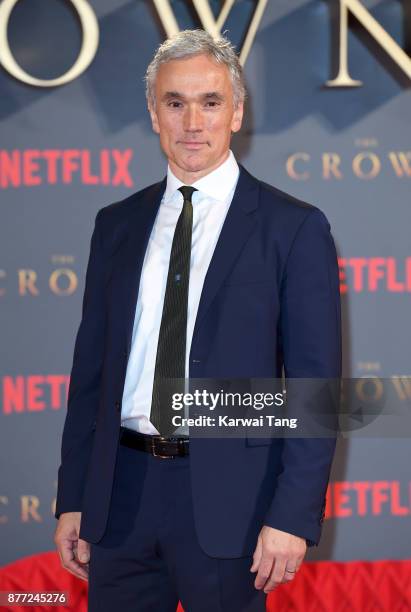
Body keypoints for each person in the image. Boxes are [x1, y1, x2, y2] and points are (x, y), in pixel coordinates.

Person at [54, 29, 341, 612]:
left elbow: (315, 391)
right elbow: (91, 376)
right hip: (120, 499)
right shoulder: (116, 225)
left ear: (236, 112)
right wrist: (74, 497)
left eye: (210, 102)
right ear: (153, 114)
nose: (193, 121)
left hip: (232, 507)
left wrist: (291, 515)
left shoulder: (293, 228)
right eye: (174, 102)